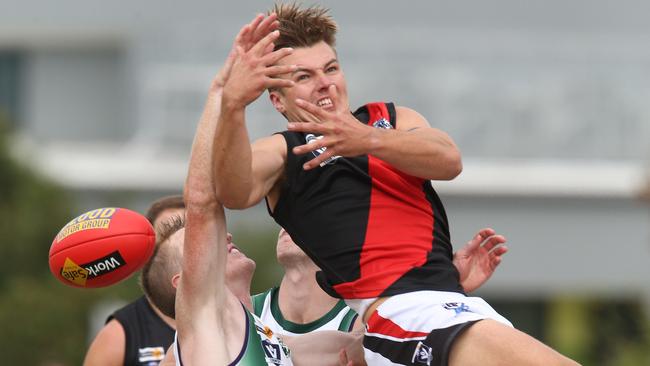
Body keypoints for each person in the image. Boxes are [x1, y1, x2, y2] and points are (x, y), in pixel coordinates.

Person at [213, 4, 579, 365]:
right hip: (405, 315)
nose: (325, 82)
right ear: (277, 99)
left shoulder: (389, 119)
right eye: (304, 77)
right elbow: (233, 190)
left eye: (331, 68)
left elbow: (448, 159)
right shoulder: (284, 150)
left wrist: (365, 139)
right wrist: (232, 104)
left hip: (452, 305)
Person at [253, 227, 509, 336]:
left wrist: (445, 290)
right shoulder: (243, 311)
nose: (288, 221)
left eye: (305, 214)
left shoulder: (369, 325)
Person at [83, 195, 184, 366]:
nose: (178, 239)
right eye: (167, 234)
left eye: (189, 232)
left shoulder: (238, 316)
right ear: (149, 252)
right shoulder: (119, 335)